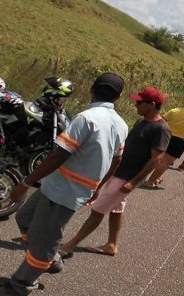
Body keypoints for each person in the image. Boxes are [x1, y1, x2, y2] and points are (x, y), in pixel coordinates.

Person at [0, 72, 128, 296]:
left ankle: (19, 287)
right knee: (25, 219)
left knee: (44, 242)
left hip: (64, 192)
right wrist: (98, 186)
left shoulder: (86, 118)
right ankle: (49, 259)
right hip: (59, 185)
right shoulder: (121, 125)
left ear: (92, 88)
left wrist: (26, 182)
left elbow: (59, 155)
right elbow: (116, 159)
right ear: (118, 97)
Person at [57, 87, 171, 258]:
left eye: (140, 102)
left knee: (97, 212)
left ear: (152, 104)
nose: (136, 104)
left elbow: (156, 159)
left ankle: (69, 246)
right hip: (119, 172)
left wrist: (133, 182)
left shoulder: (161, 129)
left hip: (127, 177)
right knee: (116, 209)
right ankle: (112, 245)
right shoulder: (142, 121)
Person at [143, 96, 184, 188]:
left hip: (167, 136)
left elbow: (162, 120)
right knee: (165, 162)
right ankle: (150, 182)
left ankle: (153, 177)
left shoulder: (175, 110)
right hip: (181, 141)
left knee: (158, 158)